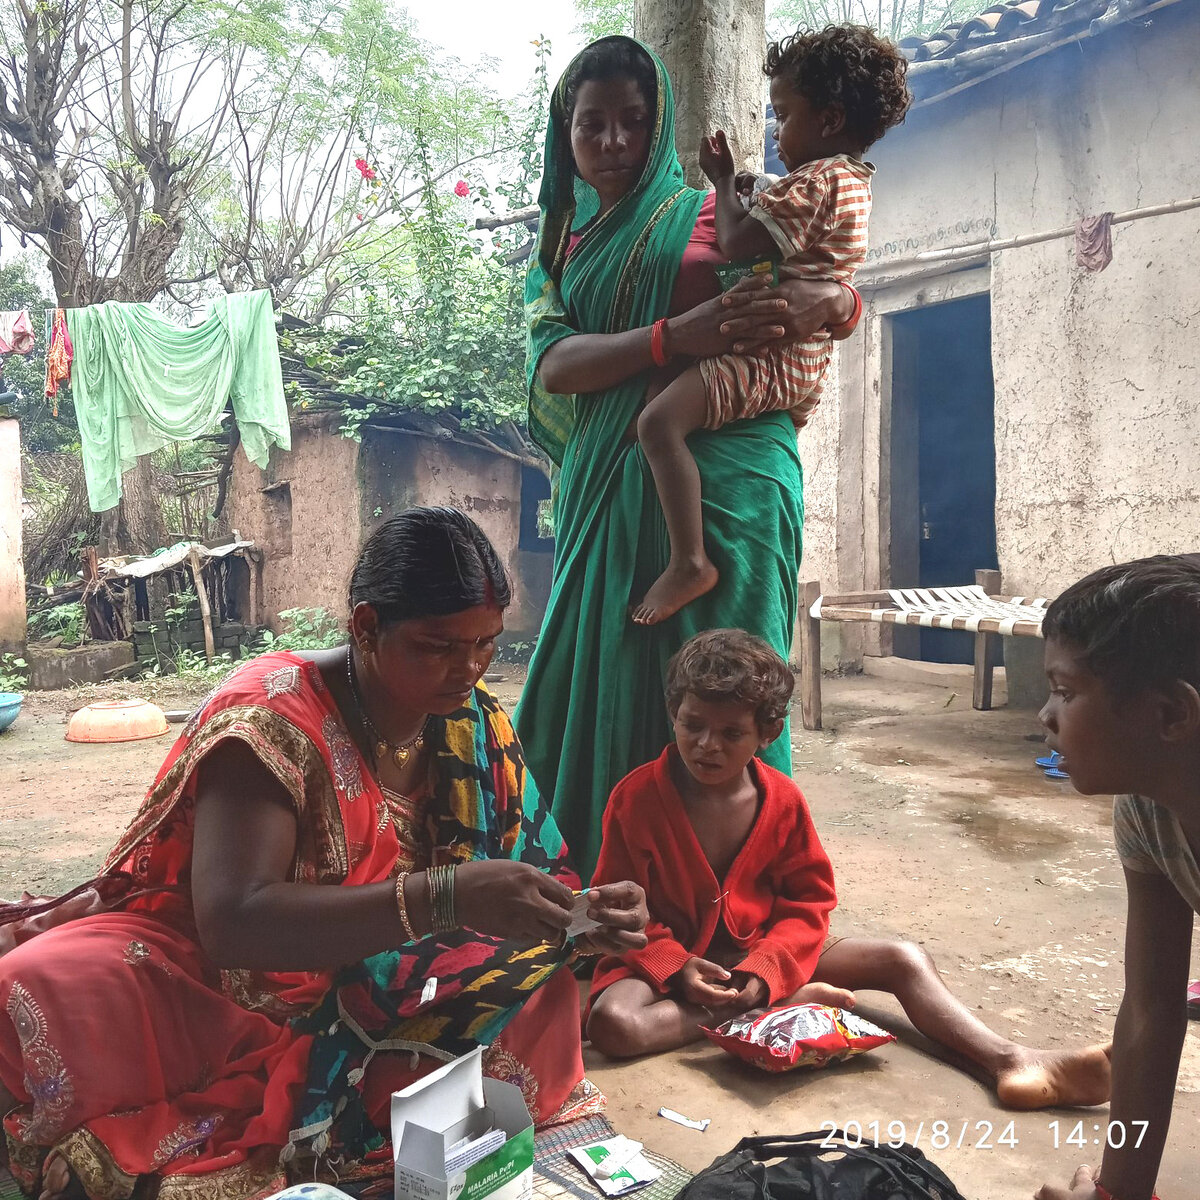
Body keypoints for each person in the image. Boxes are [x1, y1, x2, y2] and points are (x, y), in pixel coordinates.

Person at [0, 508, 649, 1200]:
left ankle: (375, 1107)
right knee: (40, 984)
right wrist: (446, 897)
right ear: (366, 628)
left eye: (485, 644)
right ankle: (364, 1118)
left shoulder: (472, 721)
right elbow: (230, 924)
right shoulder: (269, 723)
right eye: (438, 646)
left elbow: (532, 869)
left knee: (543, 989)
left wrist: (580, 915)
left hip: (395, 975)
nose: (469, 669)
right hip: (226, 987)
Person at [520, 35, 863, 878]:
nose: (610, 143)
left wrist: (846, 299)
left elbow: (818, 272)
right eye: (591, 124)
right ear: (565, 133)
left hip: (736, 482)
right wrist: (674, 336)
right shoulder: (562, 252)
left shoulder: (714, 212)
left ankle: (742, 899)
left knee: (726, 694)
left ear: (657, 128)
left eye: (631, 124)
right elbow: (555, 366)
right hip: (612, 481)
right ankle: (598, 884)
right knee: (596, 674)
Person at [586, 628, 1114, 1111]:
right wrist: (677, 965)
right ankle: (774, 1006)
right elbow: (619, 914)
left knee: (903, 958)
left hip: (766, 952)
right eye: (693, 725)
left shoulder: (783, 802)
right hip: (667, 962)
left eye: (731, 733)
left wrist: (768, 968)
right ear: (673, 713)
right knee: (615, 1025)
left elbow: (808, 904)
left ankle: (1009, 1059)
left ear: (767, 733)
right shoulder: (636, 799)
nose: (707, 745)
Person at [632, 25, 910, 626]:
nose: (776, 132)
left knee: (656, 423)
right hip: (792, 356)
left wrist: (722, 179)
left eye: (783, 115)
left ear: (830, 119)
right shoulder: (848, 183)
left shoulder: (819, 181)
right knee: (660, 408)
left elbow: (734, 244)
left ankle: (689, 561)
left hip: (770, 355)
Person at [1035, 555, 1200, 1200]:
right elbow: (1151, 1007)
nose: (1046, 716)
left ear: (1169, 716)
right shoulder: (1147, 806)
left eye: (1066, 691)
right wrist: (1118, 1193)